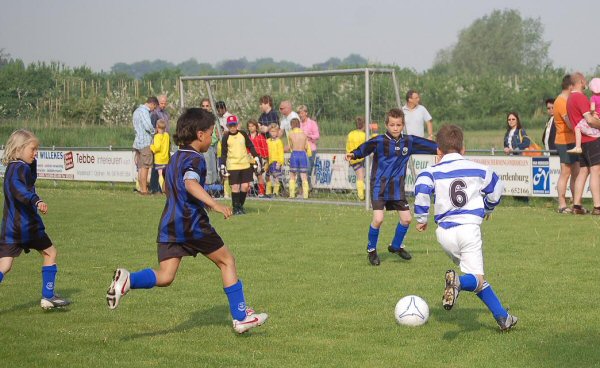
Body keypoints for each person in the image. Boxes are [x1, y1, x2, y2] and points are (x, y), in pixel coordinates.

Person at [106, 108, 268, 334]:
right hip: (191, 223)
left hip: (169, 223)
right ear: (200, 135)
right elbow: (191, 184)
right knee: (227, 261)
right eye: (211, 133)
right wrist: (215, 204)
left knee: (165, 276)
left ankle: (128, 280)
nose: (213, 138)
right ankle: (241, 317)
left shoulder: (175, 158)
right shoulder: (195, 158)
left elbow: (165, 187)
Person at [414, 124, 517, 331]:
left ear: (438, 151)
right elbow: (497, 188)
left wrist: (421, 217)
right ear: (463, 149)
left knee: (477, 278)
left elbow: (421, 186)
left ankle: (504, 319)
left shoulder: (431, 171)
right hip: (468, 230)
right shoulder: (478, 168)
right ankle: (458, 283)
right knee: (474, 279)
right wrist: (487, 208)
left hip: (443, 233)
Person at [346, 108, 437, 266]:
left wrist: (442, 149)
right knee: (378, 219)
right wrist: (354, 154)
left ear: (403, 125)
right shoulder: (379, 141)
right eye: (392, 125)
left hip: (397, 188)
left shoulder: (409, 142)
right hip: (379, 187)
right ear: (386, 125)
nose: (395, 128)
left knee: (407, 219)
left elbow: (428, 145)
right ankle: (371, 250)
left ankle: (395, 246)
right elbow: (365, 148)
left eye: (399, 125)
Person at [0, 129, 70, 309]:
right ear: (19, 149)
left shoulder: (14, 167)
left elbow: (28, 183)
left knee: (5, 265)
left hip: (10, 227)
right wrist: (36, 200)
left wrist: (33, 163)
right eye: (32, 149)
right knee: (50, 253)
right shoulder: (19, 168)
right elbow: (20, 191)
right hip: (26, 226)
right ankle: (48, 296)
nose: (35, 153)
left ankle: (48, 297)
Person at [568, 72, 600, 215]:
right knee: (595, 171)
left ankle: (577, 205)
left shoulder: (569, 99)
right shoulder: (580, 98)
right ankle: (598, 206)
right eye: (585, 80)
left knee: (583, 171)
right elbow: (589, 120)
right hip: (592, 140)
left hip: (581, 140)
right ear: (580, 81)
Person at [220, 115, 261, 215]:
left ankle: (240, 206)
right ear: (227, 126)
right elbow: (224, 153)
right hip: (233, 165)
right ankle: (235, 208)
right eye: (230, 126)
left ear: (237, 125)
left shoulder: (243, 134)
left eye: (234, 125)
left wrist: (256, 157)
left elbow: (250, 145)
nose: (232, 127)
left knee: (245, 186)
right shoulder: (226, 137)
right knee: (235, 187)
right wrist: (222, 165)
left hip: (245, 164)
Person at [553, 75, 579, 214]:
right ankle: (562, 204)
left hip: (572, 140)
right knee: (566, 173)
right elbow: (569, 123)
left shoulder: (566, 100)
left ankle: (576, 203)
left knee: (575, 172)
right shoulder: (561, 101)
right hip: (564, 141)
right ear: (570, 87)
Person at [567, 78, 600, 154]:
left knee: (577, 127)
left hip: (596, 116)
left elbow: (592, 109)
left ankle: (578, 147)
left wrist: (591, 112)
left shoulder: (593, 98)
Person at [133, 96, 158, 195]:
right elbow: (147, 126)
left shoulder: (136, 111)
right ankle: (144, 190)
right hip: (145, 143)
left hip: (137, 142)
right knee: (145, 167)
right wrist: (154, 131)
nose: (154, 109)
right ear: (153, 104)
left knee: (140, 167)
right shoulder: (144, 111)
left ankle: (141, 188)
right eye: (154, 107)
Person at [149, 95, 170, 194]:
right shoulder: (154, 114)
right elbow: (153, 129)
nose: (163, 105)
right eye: (161, 103)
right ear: (158, 103)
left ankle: (161, 188)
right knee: (156, 169)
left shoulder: (166, 114)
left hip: (164, 144)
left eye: (165, 103)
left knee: (162, 170)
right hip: (158, 143)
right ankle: (154, 187)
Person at [346, 116, 368, 200]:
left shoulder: (350, 134)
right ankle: (361, 196)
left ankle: (362, 195)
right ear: (364, 125)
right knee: (361, 177)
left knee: (361, 176)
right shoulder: (364, 135)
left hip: (352, 158)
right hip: (360, 158)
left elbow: (347, 146)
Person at [287, 118, 311, 199]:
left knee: (292, 175)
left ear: (291, 125)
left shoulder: (290, 133)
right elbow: (307, 146)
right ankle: (305, 195)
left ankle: (292, 194)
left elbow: (290, 146)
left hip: (294, 154)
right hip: (302, 154)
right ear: (299, 125)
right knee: (304, 176)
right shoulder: (304, 134)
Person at [297, 105, 320, 185]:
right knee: (300, 170)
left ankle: (307, 189)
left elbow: (317, 136)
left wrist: (309, 136)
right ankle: (300, 191)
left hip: (311, 149)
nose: (300, 115)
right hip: (300, 150)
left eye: (302, 113)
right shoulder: (298, 124)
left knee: (308, 170)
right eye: (299, 113)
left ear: (306, 113)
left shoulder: (312, 123)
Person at [247, 119, 268, 197]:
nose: (251, 128)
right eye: (249, 126)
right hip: (249, 158)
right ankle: (248, 192)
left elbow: (264, 147)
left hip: (258, 158)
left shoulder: (260, 137)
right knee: (248, 175)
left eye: (252, 126)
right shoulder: (247, 137)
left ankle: (261, 192)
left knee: (259, 175)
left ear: (256, 127)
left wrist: (265, 158)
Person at [150, 119, 170, 192]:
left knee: (160, 174)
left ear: (157, 126)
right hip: (166, 158)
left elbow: (157, 148)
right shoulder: (167, 135)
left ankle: (162, 189)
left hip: (159, 159)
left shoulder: (157, 136)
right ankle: (165, 187)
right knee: (164, 175)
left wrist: (151, 147)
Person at [266, 124, 284, 197]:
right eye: (271, 131)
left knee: (275, 177)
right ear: (269, 132)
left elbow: (281, 153)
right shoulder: (267, 141)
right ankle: (268, 192)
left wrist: (280, 162)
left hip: (275, 162)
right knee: (267, 177)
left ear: (277, 132)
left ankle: (275, 192)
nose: (273, 133)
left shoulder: (279, 141)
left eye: (275, 131)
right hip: (268, 161)